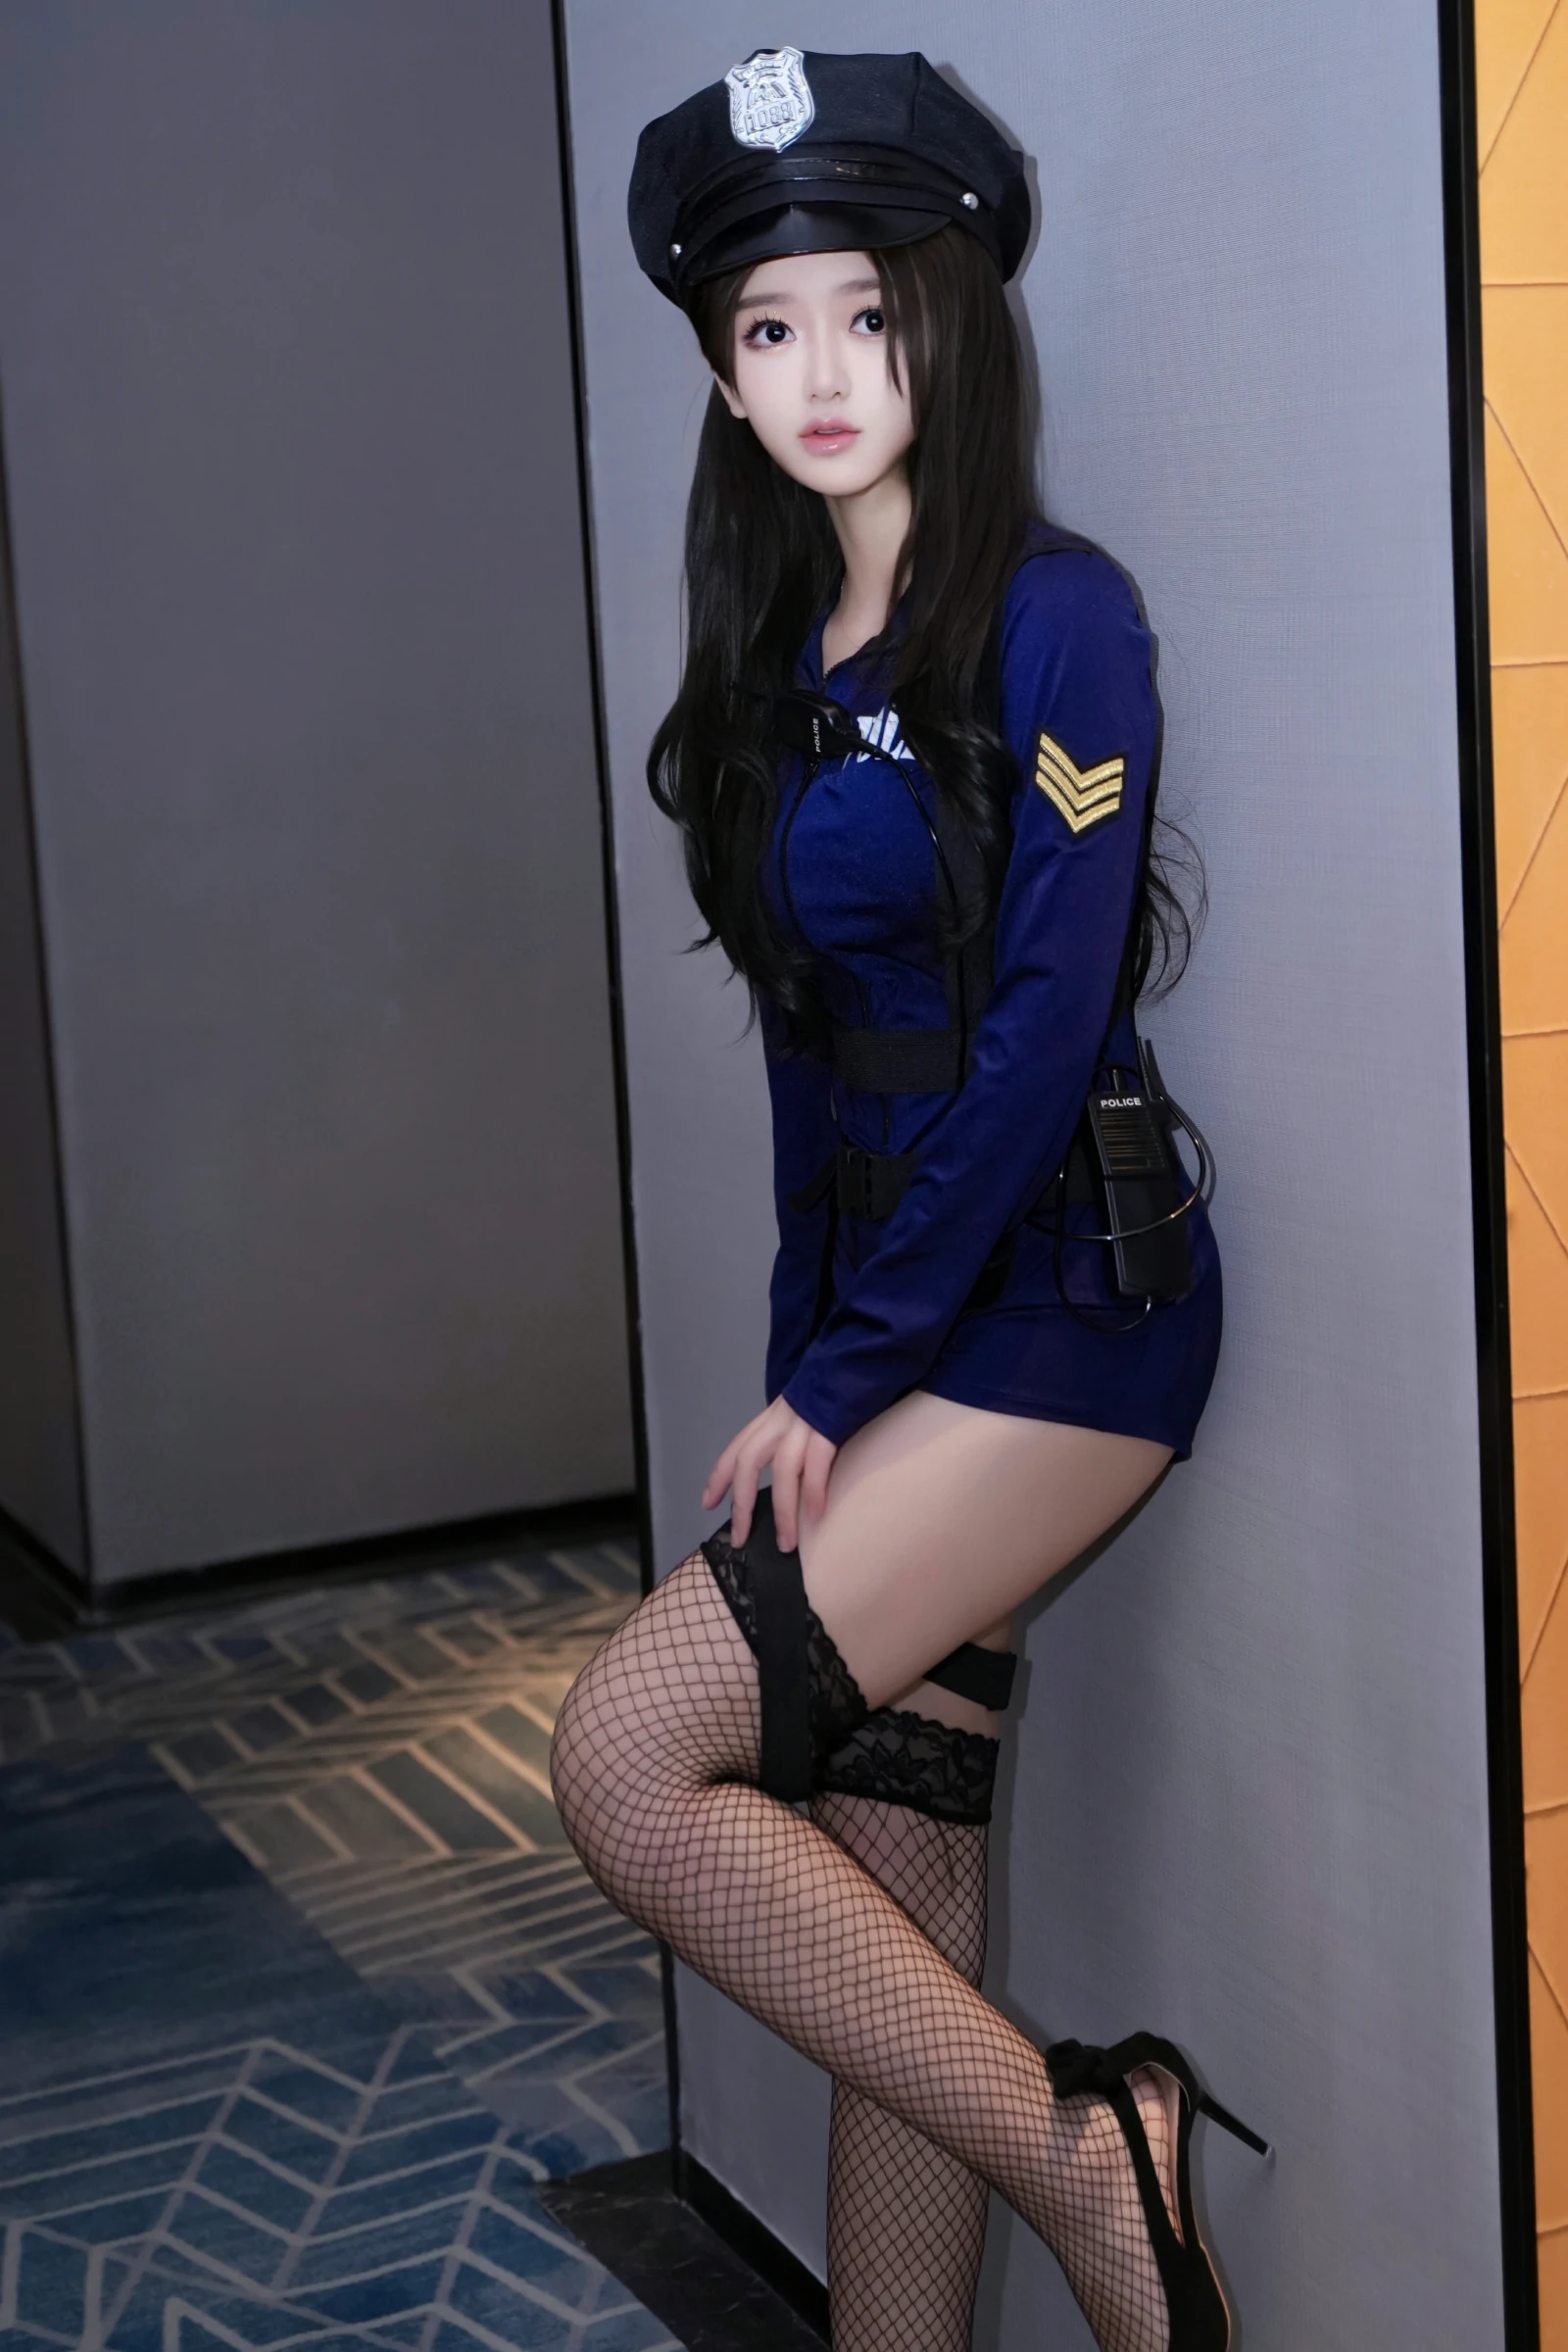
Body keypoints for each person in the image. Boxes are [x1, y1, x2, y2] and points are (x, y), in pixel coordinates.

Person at [552, 48, 1262, 2352]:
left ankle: (1088, 2153)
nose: (820, 374)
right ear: (718, 375)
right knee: (891, 1878)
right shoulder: (774, 666)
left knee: (623, 1761)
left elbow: (1042, 1028)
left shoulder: (1060, 618)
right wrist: (811, 1380)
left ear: (945, 320)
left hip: (1062, 1316)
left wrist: (854, 1374)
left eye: (863, 314)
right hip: (889, 1330)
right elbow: (810, 1068)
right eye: (765, 330)